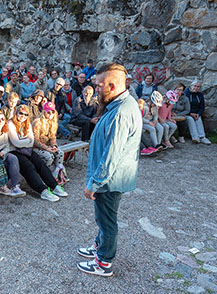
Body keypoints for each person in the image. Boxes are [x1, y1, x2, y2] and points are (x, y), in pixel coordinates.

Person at [77, 63, 142, 277]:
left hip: (109, 180)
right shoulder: (118, 104)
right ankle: (99, 247)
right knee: (103, 217)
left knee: (107, 220)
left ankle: (104, 262)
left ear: (112, 86)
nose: (95, 89)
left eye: (98, 85)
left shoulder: (120, 112)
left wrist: (93, 184)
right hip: (112, 178)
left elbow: (111, 156)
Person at [7, 105, 67, 202]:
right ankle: (42, 190)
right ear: (16, 113)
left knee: (40, 163)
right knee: (28, 166)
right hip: (14, 151)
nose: (23, 116)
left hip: (26, 149)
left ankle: (54, 185)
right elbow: (15, 142)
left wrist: (23, 141)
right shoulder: (11, 123)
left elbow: (31, 140)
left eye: (25, 114)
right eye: (20, 113)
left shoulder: (27, 123)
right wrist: (26, 140)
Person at [32, 102, 67, 184]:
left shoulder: (53, 122)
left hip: (47, 146)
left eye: (52, 112)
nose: (50, 114)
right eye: (48, 112)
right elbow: (35, 140)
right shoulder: (37, 122)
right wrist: (47, 148)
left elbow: (52, 137)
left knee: (60, 153)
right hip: (36, 147)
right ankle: (43, 176)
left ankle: (57, 175)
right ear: (44, 112)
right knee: (49, 157)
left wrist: (54, 146)